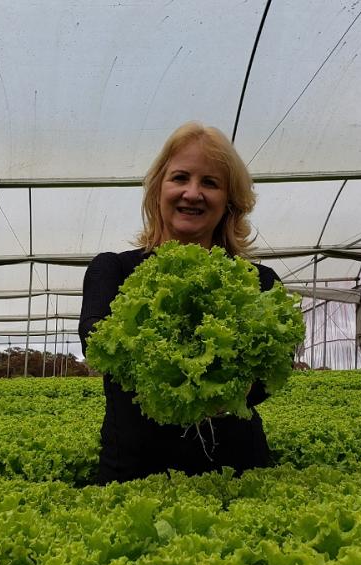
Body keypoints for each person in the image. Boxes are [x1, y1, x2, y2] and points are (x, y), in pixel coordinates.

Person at [79, 121, 283, 484]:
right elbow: (99, 343)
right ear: (158, 189)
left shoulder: (260, 283)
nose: (193, 193)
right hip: (134, 476)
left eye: (210, 183)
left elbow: (267, 376)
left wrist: (227, 386)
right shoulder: (112, 271)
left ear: (230, 201)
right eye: (180, 178)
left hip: (237, 475)